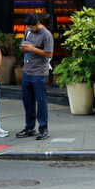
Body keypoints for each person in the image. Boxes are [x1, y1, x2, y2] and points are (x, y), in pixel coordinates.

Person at [17, 12, 54, 141]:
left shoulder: (46, 35)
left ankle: (43, 128)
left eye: (31, 27)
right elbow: (23, 45)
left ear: (38, 23)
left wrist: (33, 49)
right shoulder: (28, 32)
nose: (29, 29)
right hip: (27, 70)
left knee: (41, 101)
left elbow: (49, 54)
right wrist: (23, 48)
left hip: (39, 72)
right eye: (27, 27)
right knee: (27, 101)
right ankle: (29, 127)